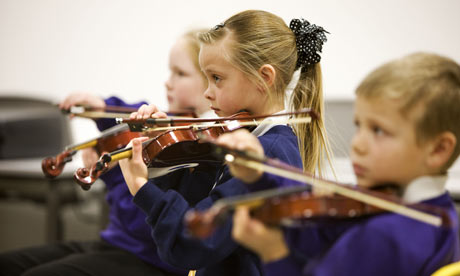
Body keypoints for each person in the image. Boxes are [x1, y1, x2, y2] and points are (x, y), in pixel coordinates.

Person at [118, 10, 331, 276]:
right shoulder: (245, 141)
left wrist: (140, 187)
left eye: (216, 78)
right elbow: (191, 206)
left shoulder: (264, 154)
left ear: (264, 77)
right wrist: (159, 149)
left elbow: (191, 242)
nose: (207, 92)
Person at [0, 29, 211, 276]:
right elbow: (128, 115)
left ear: (209, 82)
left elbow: (142, 223)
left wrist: (112, 175)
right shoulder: (165, 125)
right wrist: (100, 106)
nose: (168, 81)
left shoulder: (193, 145)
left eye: (180, 73)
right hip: (115, 245)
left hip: (148, 259)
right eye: (170, 71)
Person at [228, 52, 460, 276]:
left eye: (378, 130)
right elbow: (318, 228)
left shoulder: (383, 235)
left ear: (438, 149)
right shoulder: (441, 215)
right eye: (359, 125)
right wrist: (259, 175)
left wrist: (274, 255)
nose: (357, 143)